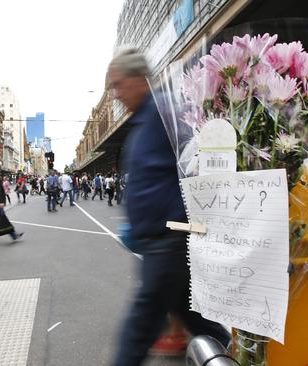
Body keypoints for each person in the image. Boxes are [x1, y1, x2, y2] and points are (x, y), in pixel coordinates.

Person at [108, 48, 230, 365]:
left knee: (139, 326)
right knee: (196, 320)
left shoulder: (165, 112)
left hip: (170, 239)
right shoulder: (145, 119)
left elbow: (196, 166)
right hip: (159, 242)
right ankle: (238, 355)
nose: (116, 94)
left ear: (138, 80)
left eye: (118, 85)